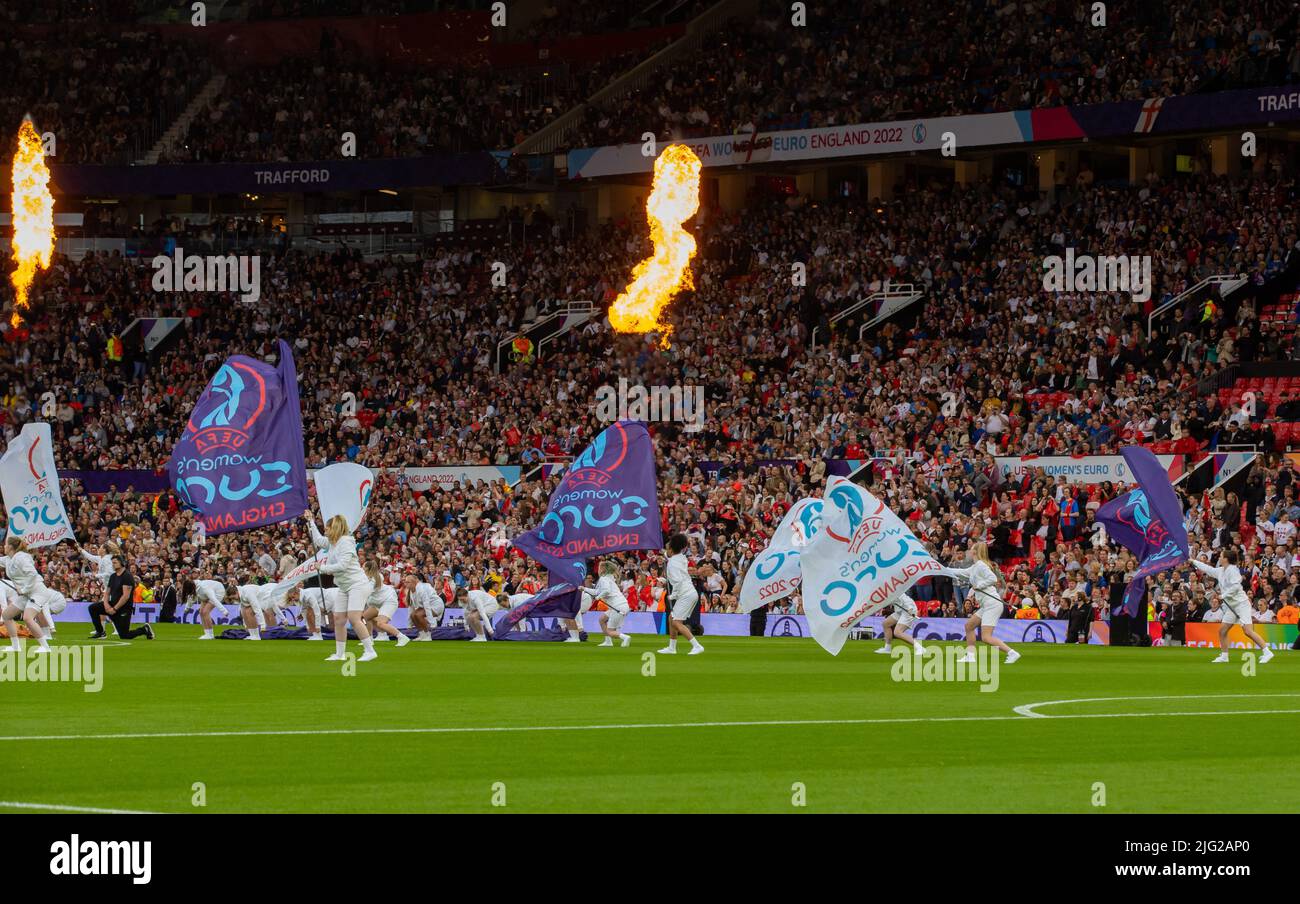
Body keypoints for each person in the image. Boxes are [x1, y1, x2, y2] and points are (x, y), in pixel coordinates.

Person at [1190, 549, 1274, 664]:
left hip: (1241, 604)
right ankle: (1224, 656)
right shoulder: (1221, 570)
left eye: (1221, 556)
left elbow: (1235, 587)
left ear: (1226, 559)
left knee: (1247, 631)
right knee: (1222, 631)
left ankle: (1267, 652)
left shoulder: (1233, 571)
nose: (1219, 557)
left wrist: (1223, 595)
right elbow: (1208, 569)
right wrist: (1193, 561)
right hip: (1231, 606)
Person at [313, 514, 377, 662]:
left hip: (357, 585)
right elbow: (317, 540)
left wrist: (322, 568)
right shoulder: (332, 542)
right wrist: (310, 521)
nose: (325, 531)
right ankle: (340, 654)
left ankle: (370, 651)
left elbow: (343, 566)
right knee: (338, 619)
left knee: (354, 618)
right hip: (344, 586)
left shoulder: (346, 542)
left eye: (327, 529)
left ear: (334, 529)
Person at [942, 542, 1019, 664]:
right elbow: (959, 572)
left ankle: (1012, 653)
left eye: (970, 549)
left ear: (974, 552)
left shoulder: (981, 565)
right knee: (969, 626)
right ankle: (970, 656)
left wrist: (979, 585)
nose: (968, 551)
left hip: (992, 603)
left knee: (986, 637)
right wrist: (942, 569)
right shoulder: (975, 567)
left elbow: (993, 579)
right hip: (986, 604)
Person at [0, 537, 60, 654]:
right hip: (26, 593)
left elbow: (33, 575)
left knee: (27, 618)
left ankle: (46, 647)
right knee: (6, 615)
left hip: (38, 591)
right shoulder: (8, 559)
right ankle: (16, 647)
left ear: (11, 547)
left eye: (6, 545)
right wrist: (24, 591)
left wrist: (23, 589)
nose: (4, 547)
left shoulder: (22, 558)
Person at [88, 554, 154, 641]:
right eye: (112, 563)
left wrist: (114, 609)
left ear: (122, 563)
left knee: (124, 635)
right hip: (113, 605)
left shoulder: (127, 576)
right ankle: (100, 632)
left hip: (124, 608)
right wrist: (107, 605)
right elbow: (107, 593)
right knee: (93, 608)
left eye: (115, 563)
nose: (113, 565)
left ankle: (144, 629)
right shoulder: (113, 576)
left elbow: (125, 596)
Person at [658, 533, 703, 655]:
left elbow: (677, 582)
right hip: (689, 592)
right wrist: (665, 555)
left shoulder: (672, 564)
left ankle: (697, 645)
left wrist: (673, 595)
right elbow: (670, 556)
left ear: (672, 549)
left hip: (685, 594)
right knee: (671, 618)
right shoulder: (681, 557)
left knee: (676, 622)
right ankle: (672, 647)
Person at [581, 561, 632, 648]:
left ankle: (625, 637)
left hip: (617, 606)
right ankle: (608, 642)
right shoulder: (608, 578)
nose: (598, 569)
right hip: (621, 605)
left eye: (600, 567)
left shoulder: (604, 579)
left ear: (603, 569)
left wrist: (598, 597)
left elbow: (606, 591)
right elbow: (597, 591)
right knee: (602, 620)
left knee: (610, 631)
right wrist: (584, 589)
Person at [362, 561, 410, 646]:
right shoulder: (366, 577)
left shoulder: (376, 578)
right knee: (366, 617)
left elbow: (365, 591)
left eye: (363, 566)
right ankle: (370, 640)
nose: (361, 567)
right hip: (378, 602)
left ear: (366, 568)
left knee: (381, 623)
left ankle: (402, 637)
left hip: (389, 600)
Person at [872, 592, 929, 657]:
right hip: (900, 611)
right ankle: (887, 648)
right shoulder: (885, 593)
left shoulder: (896, 591)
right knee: (886, 624)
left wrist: (910, 609)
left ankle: (920, 648)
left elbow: (906, 600)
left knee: (897, 632)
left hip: (909, 610)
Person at [403, 572, 443, 640]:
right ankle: (422, 635)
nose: (405, 584)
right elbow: (411, 608)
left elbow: (426, 606)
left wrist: (432, 622)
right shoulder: (410, 592)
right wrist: (409, 624)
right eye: (405, 582)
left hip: (437, 606)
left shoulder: (421, 589)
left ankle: (428, 635)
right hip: (427, 607)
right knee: (413, 615)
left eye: (408, 582)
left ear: (414, 583)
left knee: (418, 615)